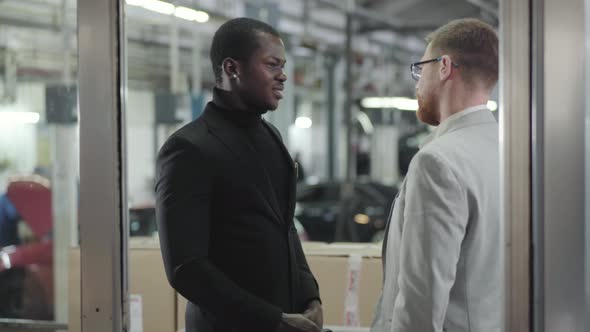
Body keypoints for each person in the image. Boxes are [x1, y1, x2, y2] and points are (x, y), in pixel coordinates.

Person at [155, 18, 323, 332]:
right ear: (232, 68)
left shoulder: (272, 137)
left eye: (283, 65)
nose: (283, 76)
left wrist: (310, 296)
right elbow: (186, 267)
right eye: (272, 65)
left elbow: (285, 230)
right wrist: (269, 319)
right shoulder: (189, 148)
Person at [371, 18, 502, 332]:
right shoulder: (509, 153)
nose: (417, 83)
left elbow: (421, 301)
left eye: (420, 68)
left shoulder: (438, 162)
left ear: (444, 67)